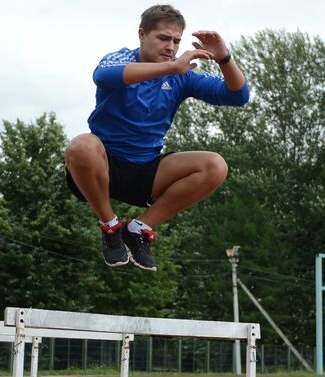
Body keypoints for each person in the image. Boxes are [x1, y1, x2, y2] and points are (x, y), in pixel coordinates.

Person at [64, 5, 249, 271]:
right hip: (102, 165)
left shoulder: (181, 77)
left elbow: (238, 96)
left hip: (146, 172)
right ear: (142, 34)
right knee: (80, 145)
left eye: (176, 41)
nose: (171, 47)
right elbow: (102, 75)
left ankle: (139, 229)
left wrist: (224, 59)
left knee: (215, 165)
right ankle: (110, 227)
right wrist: (172, 68)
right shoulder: (121, 59)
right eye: (163, 38)